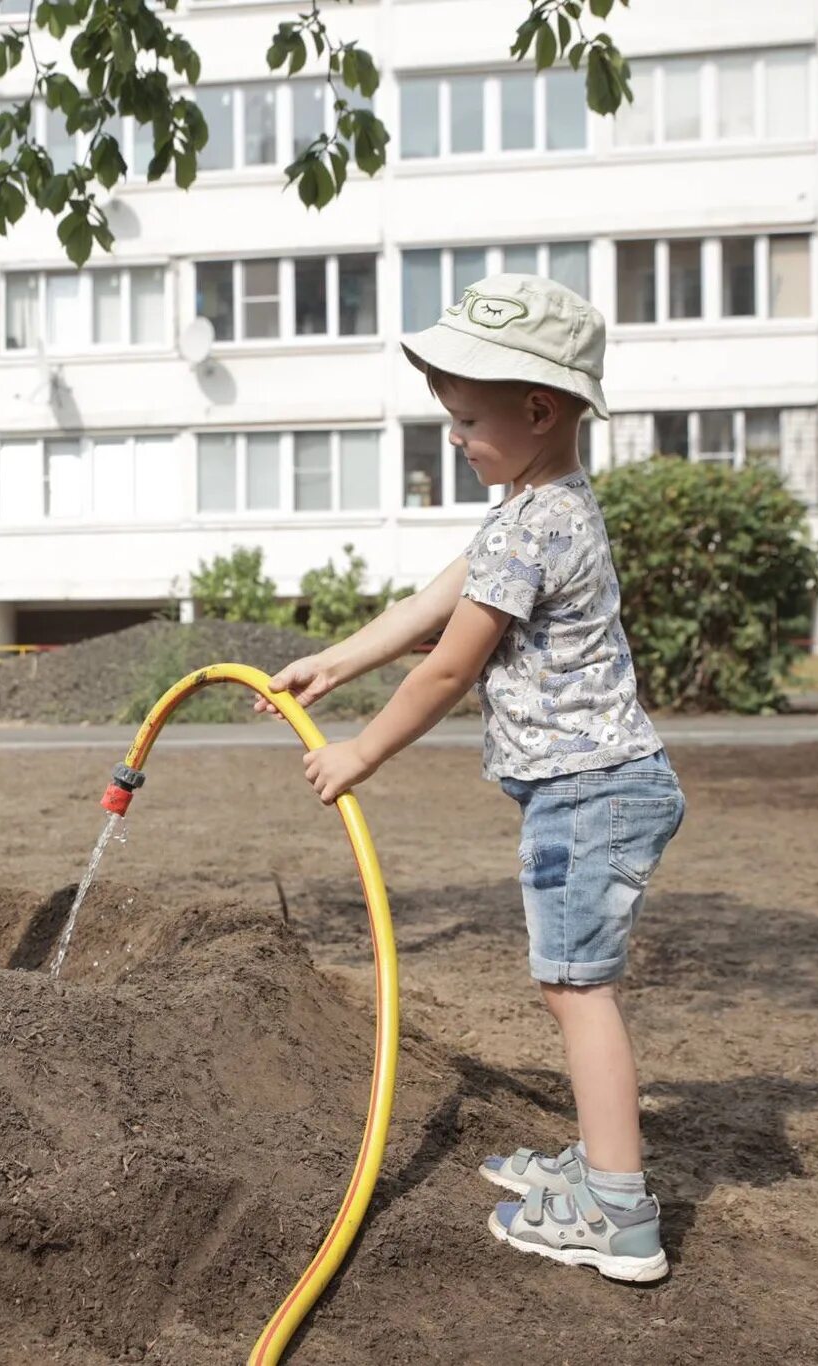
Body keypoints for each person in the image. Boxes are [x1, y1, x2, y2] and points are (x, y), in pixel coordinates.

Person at [262, 274, 683, 1283]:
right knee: (567, 985)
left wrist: (358, 749)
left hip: (590, 789)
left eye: (463, 419)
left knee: (575, 990)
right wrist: (337, 660)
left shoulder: (536, 526)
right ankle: (599, 1161)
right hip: (582, 788)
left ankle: (617, 1211)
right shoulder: (526, 509)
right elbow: (430, 602)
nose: (451, 436)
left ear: (537, 410)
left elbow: (451, 663)